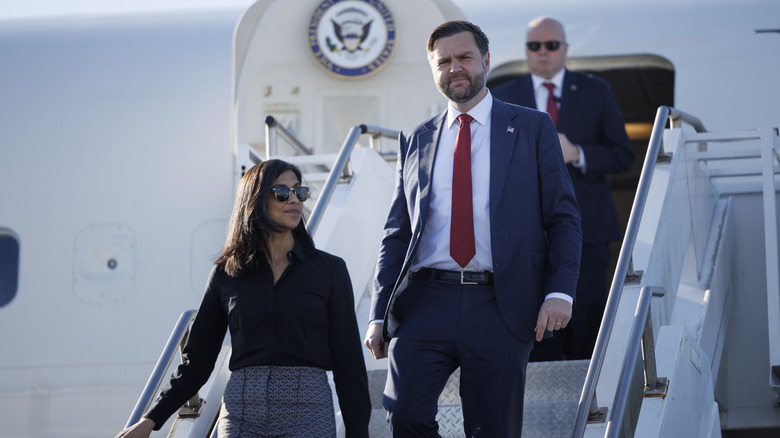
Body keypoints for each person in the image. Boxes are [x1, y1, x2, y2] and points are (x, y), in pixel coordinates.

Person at [363, 20, 582, 437]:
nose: (454, 68)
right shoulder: (416, 138)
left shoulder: (532, 127)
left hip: (501, 303)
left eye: (464, 57)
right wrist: (378, 315)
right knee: (405, 414)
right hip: (425, 302)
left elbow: (563, 218)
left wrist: (559, 292)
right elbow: (397, 234)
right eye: (443, 61)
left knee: (492, 429)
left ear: (486, 60)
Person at [116, 160, 370, 438]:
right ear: (256, 199)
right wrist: (150, 421)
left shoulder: (329, 270)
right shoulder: (226, 273)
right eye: (282, 193)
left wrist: (358, 433)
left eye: (300, 192)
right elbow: (198, 361)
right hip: (241, 413)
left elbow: (349, 362)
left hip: (308, 411)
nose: (294, 200)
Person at [492, 16, 634, 361]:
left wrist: (577, 153)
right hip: (526, 234)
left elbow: (623, 156)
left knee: (585, 317)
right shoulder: (503, 96)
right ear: (526, 50)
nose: (543, 52)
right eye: (534, 45)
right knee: (533, 324)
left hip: (587, 229)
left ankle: (590, 387)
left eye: (551, 45)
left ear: (565, 48)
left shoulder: (595, 90)